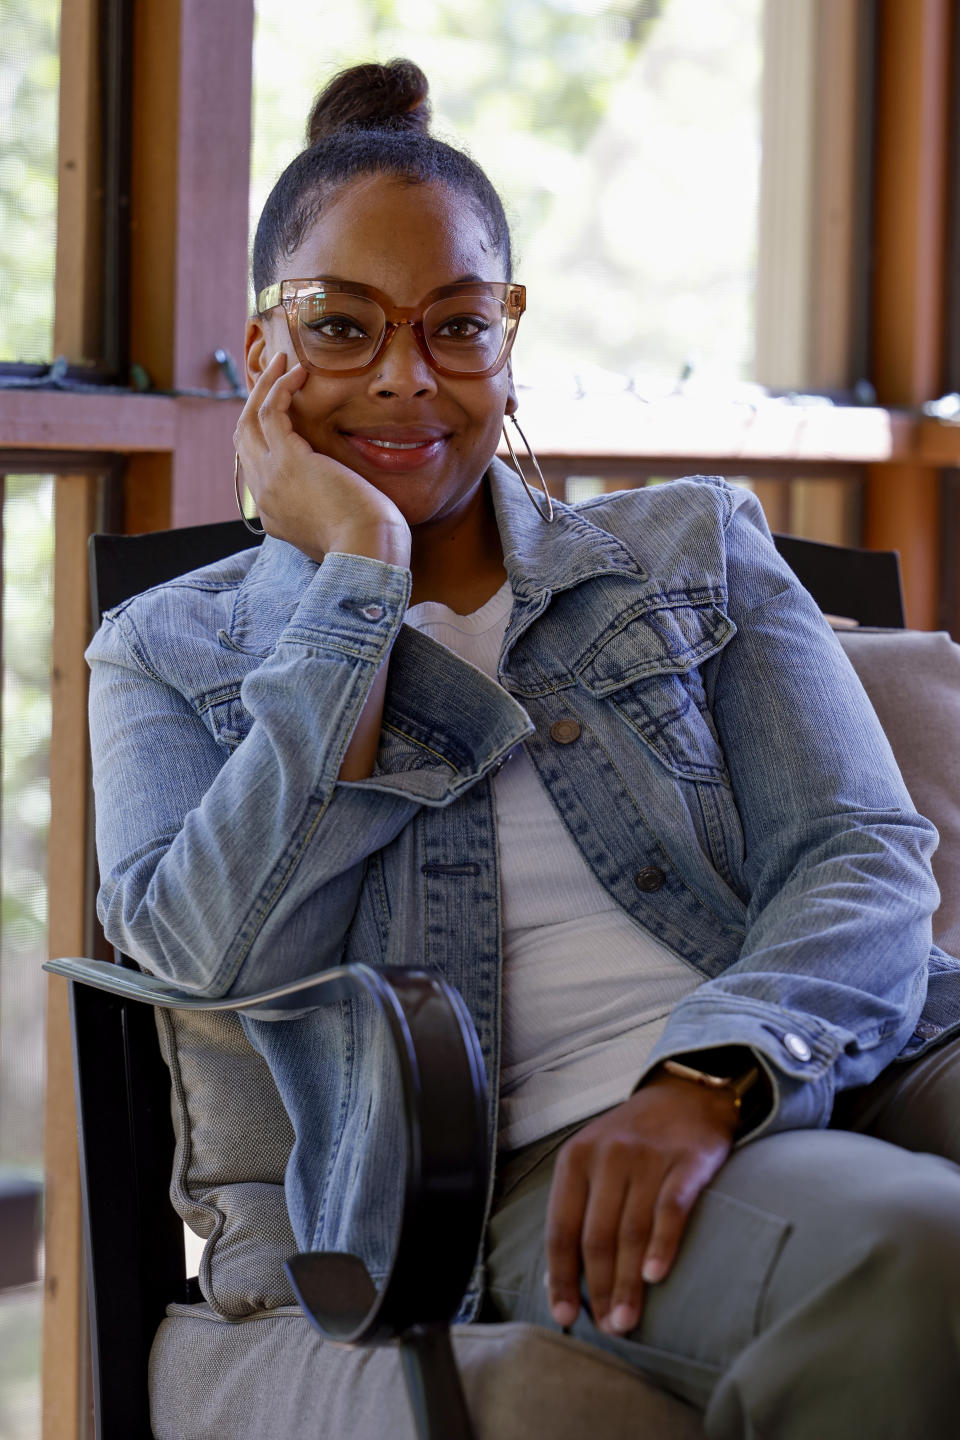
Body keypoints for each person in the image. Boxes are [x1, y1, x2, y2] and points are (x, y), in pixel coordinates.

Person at [87, 58, 960, 1437]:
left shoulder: (693, 549)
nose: (404, 379)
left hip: (858, 1048)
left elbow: (857, 852)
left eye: (455, 325)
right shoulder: (166, 653)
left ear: (509, 333)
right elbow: (211, 953)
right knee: (924, 1257)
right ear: (260, 350)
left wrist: (712, 1074)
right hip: (529, 1165)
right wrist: (360, 581)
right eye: (340, 328)